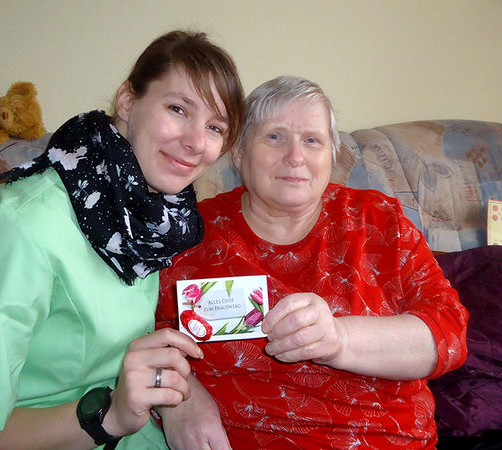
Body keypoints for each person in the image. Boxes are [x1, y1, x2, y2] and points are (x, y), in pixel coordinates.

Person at [0, 30, 244, 449]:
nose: (195, 142)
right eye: (178, 108)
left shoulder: (154, 221)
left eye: (215, 127)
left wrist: (180, 401)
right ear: (127, 99)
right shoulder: (14, 230)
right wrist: (109, 416)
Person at [157, 75, 468, 449]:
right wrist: (179, 395)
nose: (295, 156)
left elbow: (449, 333)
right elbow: (140, 333)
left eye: (312, 140)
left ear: (331, 156)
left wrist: (339, 339)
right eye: (274, 137)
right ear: (238, 151)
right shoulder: (189, 233)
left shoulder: (378, 220)